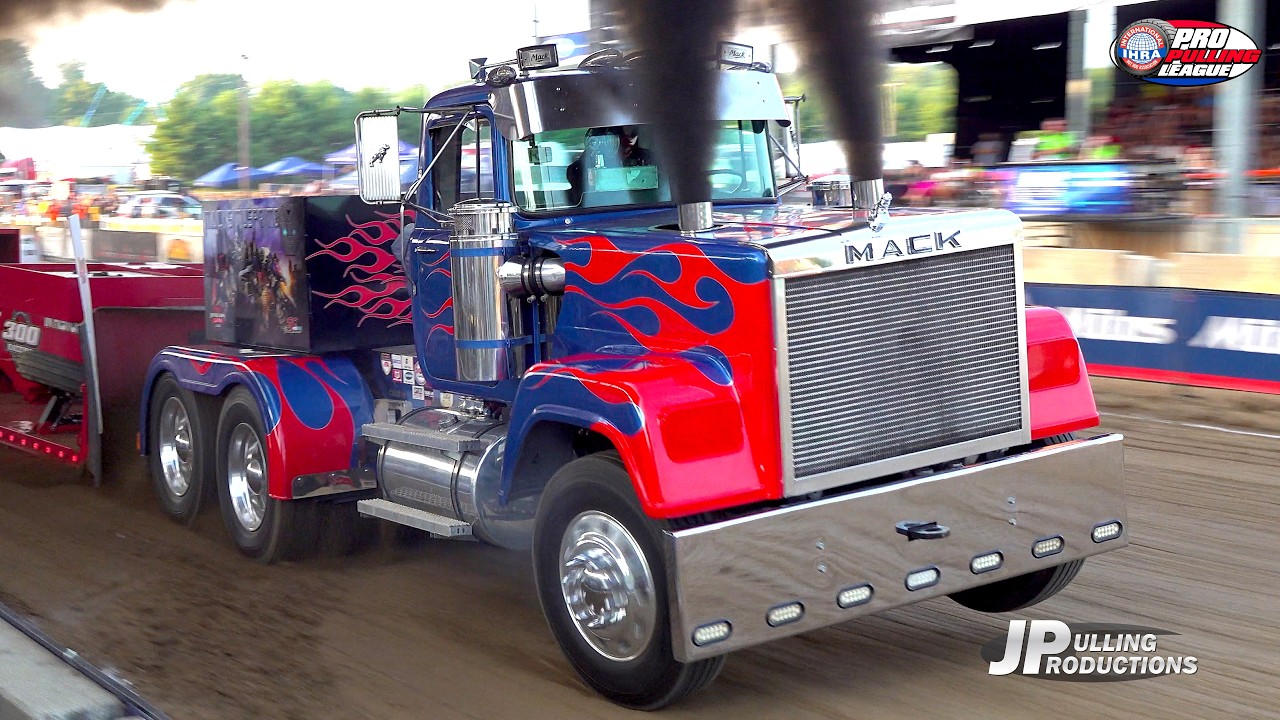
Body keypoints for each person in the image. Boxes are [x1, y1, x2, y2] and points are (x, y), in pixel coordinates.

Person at [566, 125, 653, 205]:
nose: (603, 148)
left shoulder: (645, 159)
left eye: (610, 141)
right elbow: (577, 199)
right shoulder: (580, 168)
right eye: (594, 142)